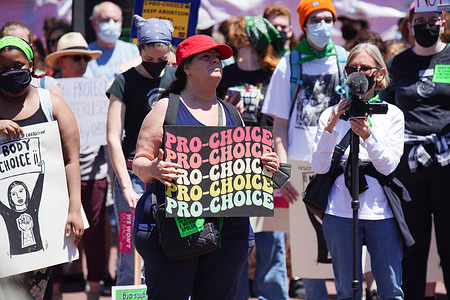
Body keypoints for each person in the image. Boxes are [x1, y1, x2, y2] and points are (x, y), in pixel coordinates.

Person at [131, 34, 279, 299]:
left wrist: (265, 166)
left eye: (218, 57)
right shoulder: (166, 108)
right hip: (177, 227)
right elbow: (139, 163)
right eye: (205, 56)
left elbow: (244, 168)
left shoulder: (231, 113)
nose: (215, 61)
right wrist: (152, 169)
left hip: (230, 231)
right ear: (185, 67)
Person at [312, 41, 413, 300]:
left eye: (365, 68)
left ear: (379, 73)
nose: (358, 73)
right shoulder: (329, 115)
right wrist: (332, 125)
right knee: (347, 290)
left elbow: (388, 166)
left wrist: (368, 136)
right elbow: (319, 167)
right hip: (340, 211)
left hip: (381, 212)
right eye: (352, 68)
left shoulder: (392, 114)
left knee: (391, 289)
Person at [261, 0, 348, 299]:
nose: (323, 25)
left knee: (346, 248)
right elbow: (279, 125)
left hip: (341, 166)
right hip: (300, 170)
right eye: (315, 19)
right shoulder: (289, 63)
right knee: (309, 254)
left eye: (328, 19)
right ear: (304, 24)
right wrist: (281, 173)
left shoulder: (345, 59)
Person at [0, 35, 83, 299]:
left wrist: (74, 210)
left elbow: (71, 160)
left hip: (42, 234)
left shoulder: (52, 105)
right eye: (2, 69)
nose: (11, 73)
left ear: (31, 65)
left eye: (17, 66)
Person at [379, 4, 450, 299]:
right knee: (412, 246)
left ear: (443, 22)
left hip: (447, 165)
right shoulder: (397, 64)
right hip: (408, 168)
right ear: (409, 26)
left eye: (432, 20)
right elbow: (383, 111)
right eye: (419, 21)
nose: (426, 26)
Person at [216, 15, 286, 300]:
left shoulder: (275, 73)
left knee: (271, 236)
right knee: (234, 236)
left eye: (248, 35)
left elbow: (282, 121)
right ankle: (236, 294)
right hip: (231, 161)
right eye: (241, 35)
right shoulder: (224, 73)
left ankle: (272, 294)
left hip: (267, 160)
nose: (244, 40)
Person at [106, 14, 176, 287]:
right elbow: (113, 136)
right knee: (129, 249)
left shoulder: (178, 78)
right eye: (150, 59)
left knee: (171, 245)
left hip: (170, 172)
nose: (157, 66)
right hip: (133, 174)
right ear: (139, 50)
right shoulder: (124, 81)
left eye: (162, 59)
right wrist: (125, 185)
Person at [45, 31, 105, 300]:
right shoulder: (45, 91)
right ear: (60, 62)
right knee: (57, 232)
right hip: (58, 173)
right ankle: (55, 291)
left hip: (94, 171)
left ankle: (94, 290)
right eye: (75, 58)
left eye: (85, 58)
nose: (82, 62)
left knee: (93, 233)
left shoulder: (103, 89)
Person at [0, 21, 63, 98]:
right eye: (9, 42)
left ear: (31, 47)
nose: (15, 49)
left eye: (22, 43)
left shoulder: (47, 85)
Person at [84, 1, 139, 81]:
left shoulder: (134, 51)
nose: (111, 24)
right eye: (105, 20)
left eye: (116, 20)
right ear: (94, 23)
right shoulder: (85, 55)